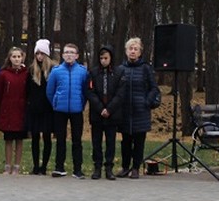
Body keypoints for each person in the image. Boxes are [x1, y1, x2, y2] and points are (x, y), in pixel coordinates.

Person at [118, 37, 160, 179]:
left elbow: (154, 88)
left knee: (139, 142)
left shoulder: (146, 69)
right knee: (125, 142)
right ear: (126, 51)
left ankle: (136, 168)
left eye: (136, 49)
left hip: (141, 111)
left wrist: (146, 102)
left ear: (140, 52)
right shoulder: (121, 69)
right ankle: (125, 167)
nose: (133, 51)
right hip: (125, 112)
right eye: (130, 49)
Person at [47, 42, 89, 178]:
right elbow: (50, 91)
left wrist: (81, 104)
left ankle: (78, 169)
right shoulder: (56, 71)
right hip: (60, 110)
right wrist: (55, 103)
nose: (69, 55)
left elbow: (85, 91)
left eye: (72, 52)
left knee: (77, 140)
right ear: (62, 55)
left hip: (77, 110)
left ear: (77, 55)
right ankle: (59, 167)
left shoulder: (82, 71)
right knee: (60, 139)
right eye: (66, 52)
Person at [86, 46, 124, 179]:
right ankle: (97, 167)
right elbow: (90, 92)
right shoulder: (93, 72)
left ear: (111, 58)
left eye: (106, 58)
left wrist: (109, 109)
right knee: (96, 142)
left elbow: (120, 93)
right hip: (97, 113)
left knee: (110, 142)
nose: (103, 61)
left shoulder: (118, 73)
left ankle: (109, 167)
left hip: (112, 114)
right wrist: (100, 108)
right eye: (101, 58)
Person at [0, 47, 28, 175]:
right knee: (8, 140)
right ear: (9, 58)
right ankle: (7, 165)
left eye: (19, 57)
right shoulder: (3, 74)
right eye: (14, 57)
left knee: (19, 140)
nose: (16, 59)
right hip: (8, 110)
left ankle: (17, 166)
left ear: (22, 58)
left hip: (21, 110)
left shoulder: (26, 73)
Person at [26, 40, 55, 175]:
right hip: (34, 109)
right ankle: (36, 165)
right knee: (35, 137)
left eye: (42, 53)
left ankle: (44, 166)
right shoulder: (31, 70)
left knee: (47, 137)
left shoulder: (53, 70)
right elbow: (27, 90)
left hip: (48, 109)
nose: (39, 56)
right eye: (37, 53)